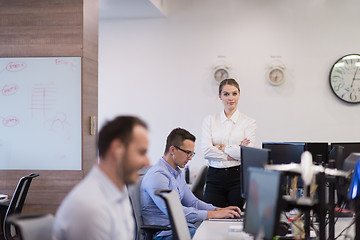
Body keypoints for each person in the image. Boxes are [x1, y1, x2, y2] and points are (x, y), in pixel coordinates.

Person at [52, 116, 150, 240]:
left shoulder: (119, 193)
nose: (147, 162)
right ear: (117, 149)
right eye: (141, 152)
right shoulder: (91, 207)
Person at [141, 128, 241, 240]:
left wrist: (218, 210)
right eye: (187, 153)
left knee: (224, 233)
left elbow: (193, 203)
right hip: (165, 234)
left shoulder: (177, 173)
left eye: (191, 154)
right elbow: (176, 213)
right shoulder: (158, 176)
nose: (190, 158)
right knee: (217, 236)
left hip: (182, 229)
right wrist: (212, 215)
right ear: (173, 150)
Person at [201, 78, 256, 209]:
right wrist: (231, 154)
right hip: (214, 176)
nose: (230, 98)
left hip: (237, 177)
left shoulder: (248, 122)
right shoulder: (209, 120)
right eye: (226, 94)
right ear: (220, 96)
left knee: (235, 218)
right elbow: (206, 151)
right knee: (212, 217)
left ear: (239, 94)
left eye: (234, 93)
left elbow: (246, 153)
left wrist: (221, 147)